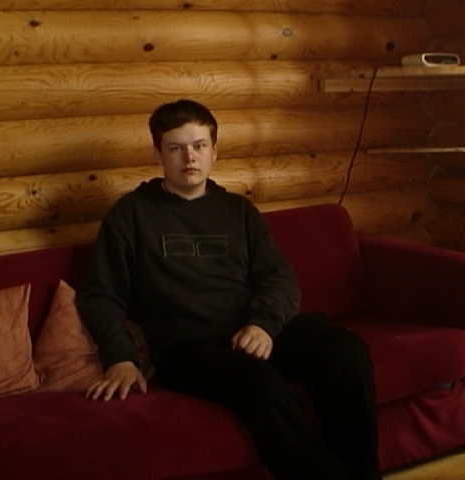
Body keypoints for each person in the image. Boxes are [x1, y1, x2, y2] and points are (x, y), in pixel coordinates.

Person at [76, 99, 381, 480]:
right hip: (188, 346)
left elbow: (279, 279)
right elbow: (100, 294)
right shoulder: (130, 214)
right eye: (176, 147)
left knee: (346, 352)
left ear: (214, 151)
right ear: (158, 153)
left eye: (199, 146)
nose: (189, 157)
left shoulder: (239, 211)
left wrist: (263, 324)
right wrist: (120, 358)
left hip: (250, 329)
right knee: (264, 387)